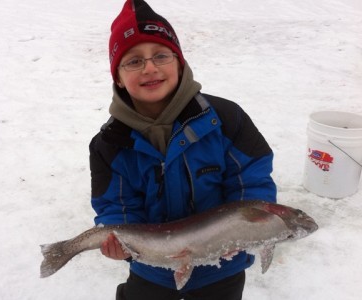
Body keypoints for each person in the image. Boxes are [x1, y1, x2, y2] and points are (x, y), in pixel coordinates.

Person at [89, 0, 277, 299]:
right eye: (134, 61)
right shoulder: (109, 144)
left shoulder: (227, 118)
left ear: (179, 62)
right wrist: (122, 243)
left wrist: (244, 229)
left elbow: (252, 184)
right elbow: (116, 207)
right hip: (153, 269)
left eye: (161, 55)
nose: (150, 67)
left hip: (223, 265)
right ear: (119, 79)